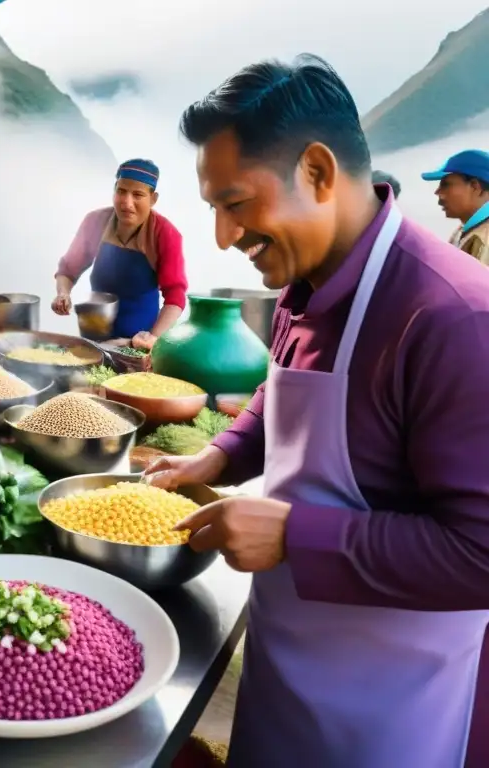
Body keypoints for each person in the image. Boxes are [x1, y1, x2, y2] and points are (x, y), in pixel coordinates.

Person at [145, 55, 489, 767]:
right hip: (288, 666)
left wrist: (298, 538)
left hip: (395, 713)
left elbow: (481, 550)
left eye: (235, 204)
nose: (222, 235)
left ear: (318, 173)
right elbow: (284, 394)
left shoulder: (455, 317)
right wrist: (223, 454)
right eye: (213, 208)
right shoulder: (306, 280)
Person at [52, 159, 187, 350]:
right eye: (121, 191)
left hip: (136, 343)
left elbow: (175, 296)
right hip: (93, 338)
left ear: (153, 199)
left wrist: (152, 338)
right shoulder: (95, 221)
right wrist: (63, 293)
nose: (127, 202)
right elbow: (68, 269)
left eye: (138, 194)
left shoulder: (165, 234)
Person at [422, 149, 489, 264]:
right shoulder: (462, 232)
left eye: (446, 184)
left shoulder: (483, 240)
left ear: (474, 187)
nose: (437, 192)